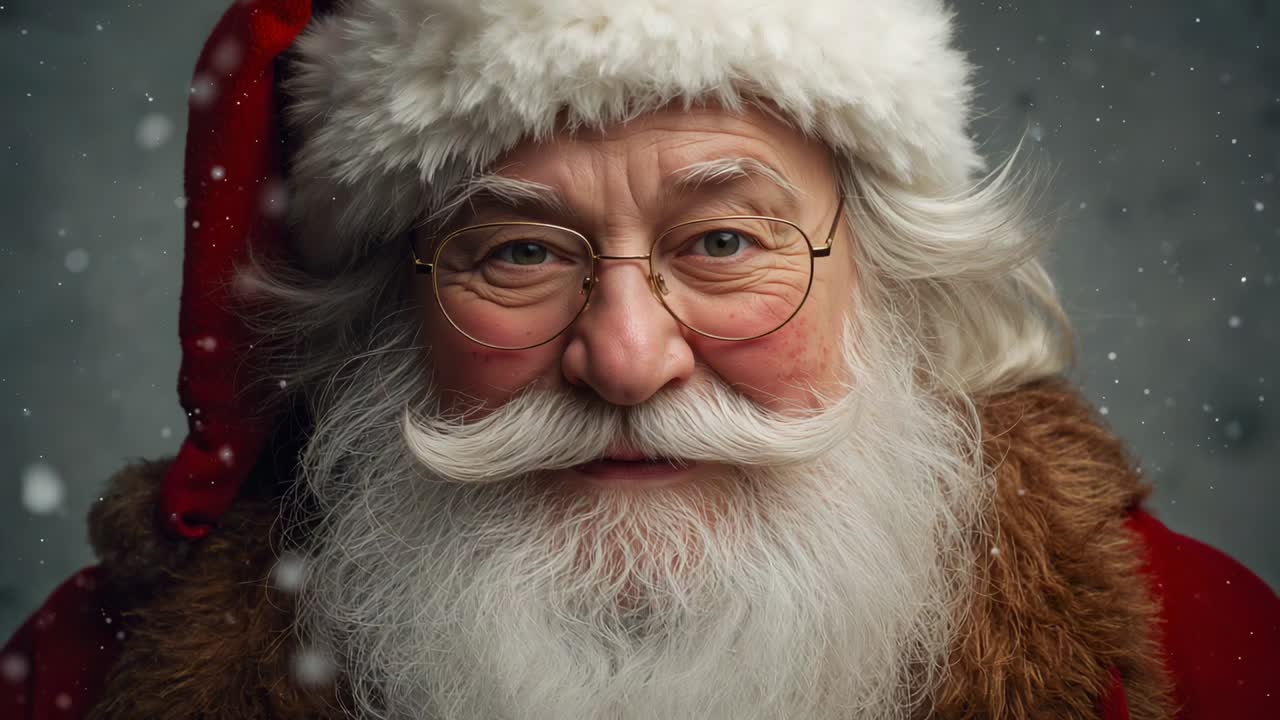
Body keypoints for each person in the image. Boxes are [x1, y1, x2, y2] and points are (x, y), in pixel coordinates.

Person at [3, 1, 1277, 718]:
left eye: (722, 240)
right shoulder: (96, 682)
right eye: (514, 254)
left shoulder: (1198, 660)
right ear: (391, 315)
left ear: (886, 280)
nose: (622, 360)